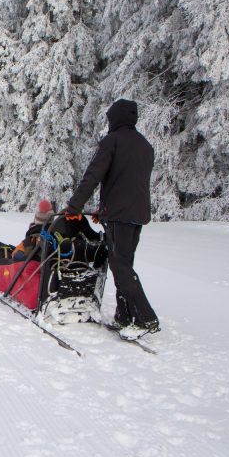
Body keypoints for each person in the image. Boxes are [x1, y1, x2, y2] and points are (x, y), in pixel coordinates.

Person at [63, 98, 160, 338]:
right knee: (123, 264)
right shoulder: (145, 145)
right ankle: (124, 315)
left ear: (115, 119)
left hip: (119, 216)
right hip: (135, 215)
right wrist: (103, 210)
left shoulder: (112, 142)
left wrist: (74, 206)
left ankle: (146, 318)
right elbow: (127, 182)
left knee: (121, 267)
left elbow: (93, 176)